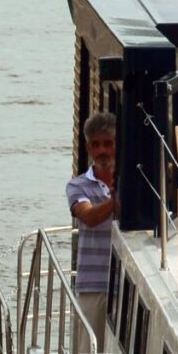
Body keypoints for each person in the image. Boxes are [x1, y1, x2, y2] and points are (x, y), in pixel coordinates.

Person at [65, 112, 120, 338]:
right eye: (96, 145)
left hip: (125, 289)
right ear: (88, 149)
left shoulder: (134, 183)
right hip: (92, 287)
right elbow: (88, 217)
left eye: (108, 143)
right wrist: (114, 200)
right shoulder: (77, 186)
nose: (102, 151)